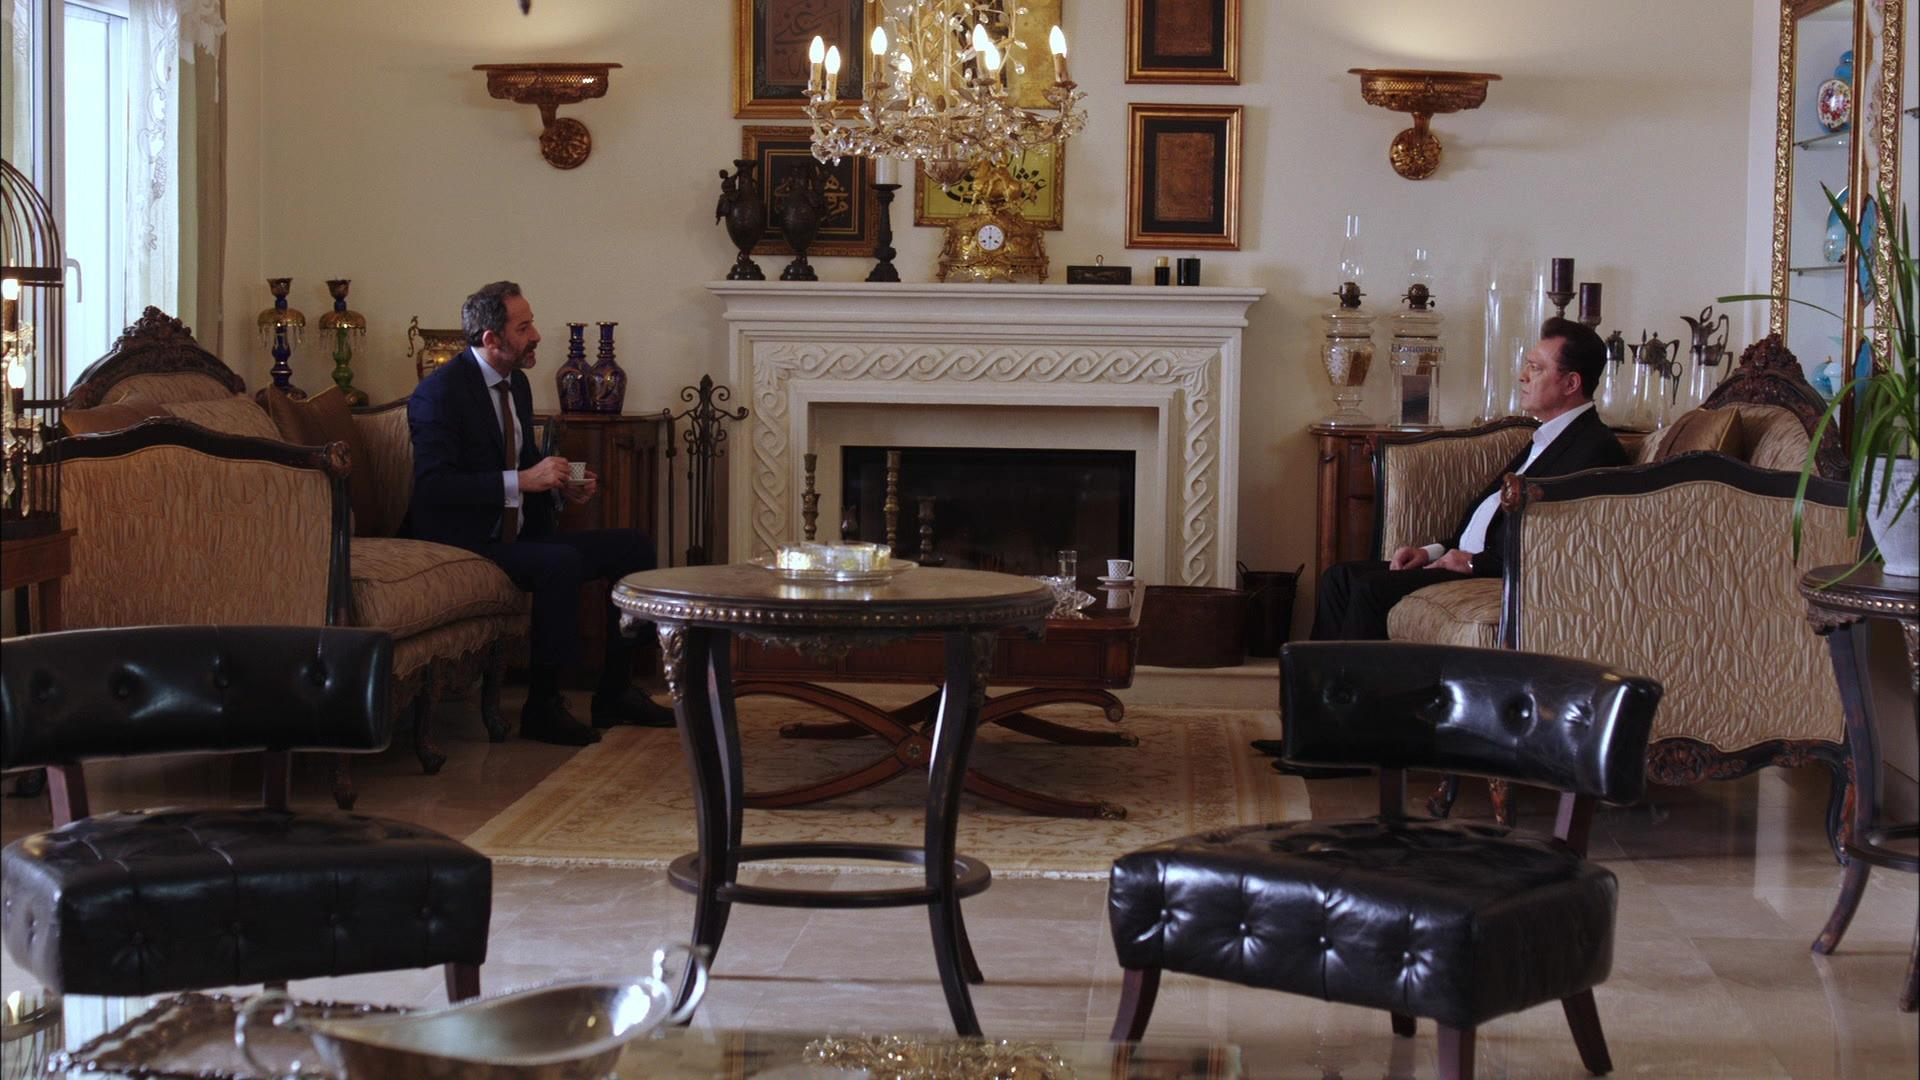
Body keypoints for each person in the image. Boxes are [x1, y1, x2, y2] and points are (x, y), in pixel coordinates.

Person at [1253, 317, 1628, 763]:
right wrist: (1431, 551)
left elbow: (1565, 545)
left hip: (1494, 572)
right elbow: (1488, 519)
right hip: (1464, 560)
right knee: (1339, 578)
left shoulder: (1594, 449)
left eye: (1535, 367)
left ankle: (1347, 743)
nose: (1523, 376)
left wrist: (1471, 564)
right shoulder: (1544, 440)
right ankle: (1309, 729)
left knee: (1370, 590)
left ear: (1571, 383)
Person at [408, 281, 675, 745]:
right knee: (560, 563)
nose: (535, 336)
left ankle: (616, 691)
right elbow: (434, 487)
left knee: (633, 547)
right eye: (524, 327)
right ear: (491, 339)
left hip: (515, 536)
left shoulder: (517, 384)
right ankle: (543, 706)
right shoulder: (440, 393)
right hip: (464, 540)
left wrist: (561, 484)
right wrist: (522, 480)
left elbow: (525, 460)